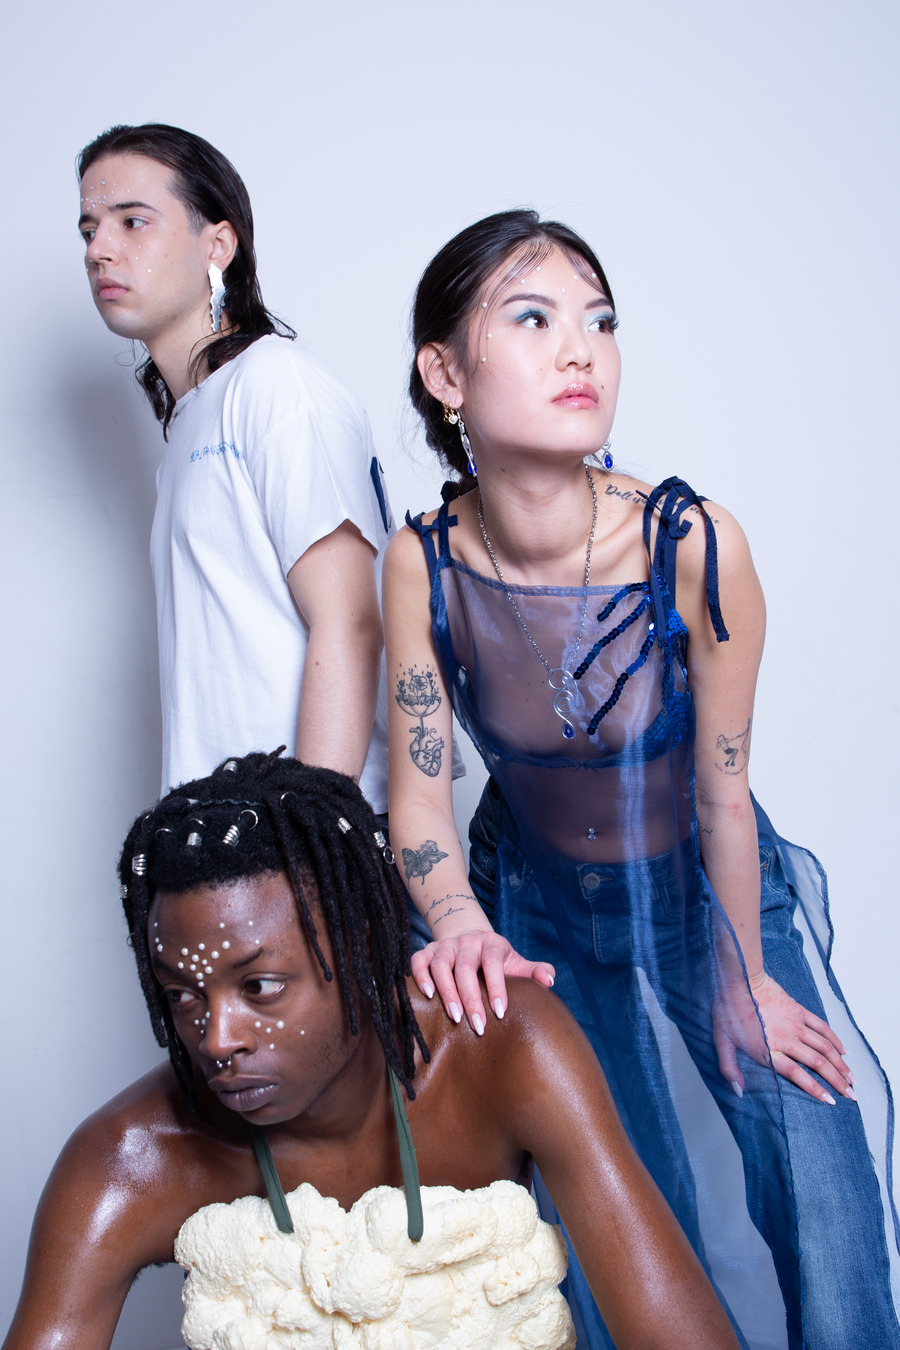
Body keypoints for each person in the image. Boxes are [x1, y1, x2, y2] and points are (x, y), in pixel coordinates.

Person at [383, 210, 900, 1349]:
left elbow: (723, 793)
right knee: (611, 1217)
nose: (583, 350)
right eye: (533, 319)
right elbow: (419, 795)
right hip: (534, 907)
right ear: (445, 374)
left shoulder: (692, 544)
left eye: (601, 320)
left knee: (820, 1184)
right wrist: (462, 926)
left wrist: (745, 973)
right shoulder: (422, 560)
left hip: (710, 886)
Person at [3, 752, 739, 1350]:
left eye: (260, 986)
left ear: (359, 950)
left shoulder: (501, 1042)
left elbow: (675, 1336)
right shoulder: (132, 1157)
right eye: (183, 997)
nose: (217, 1039)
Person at [77, 125, 391, 803]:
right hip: (224, 840)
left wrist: (310, 841)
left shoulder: (276, 385)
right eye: (90, 230)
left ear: (217, 246)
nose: (100, 249)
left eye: (133, 221)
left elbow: (351, 620)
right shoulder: (192, 425)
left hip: (310, 841)